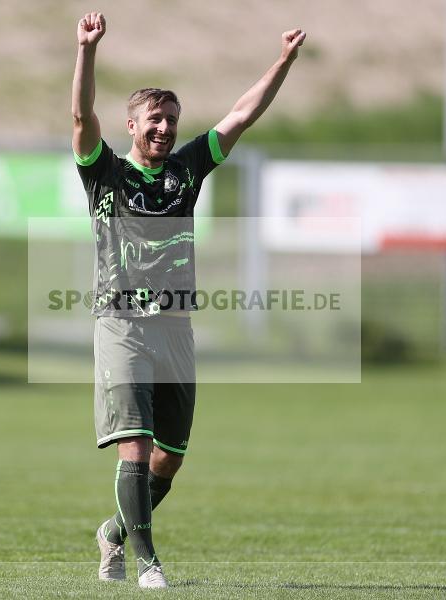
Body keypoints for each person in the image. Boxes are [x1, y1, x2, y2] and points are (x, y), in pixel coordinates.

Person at [71, 12, 306, 588]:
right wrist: (87, 50)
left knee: (169, 457)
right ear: (131, 125)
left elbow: (242, 115)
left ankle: (114, 531)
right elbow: (81, 116)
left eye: (171, 120)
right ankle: (147, 563)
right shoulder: (104, 173)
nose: (164, 128)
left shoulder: (187, 170)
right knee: (134, 445)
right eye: (154, 119)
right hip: (122, 323)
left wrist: (283, 62)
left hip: (176, 327)